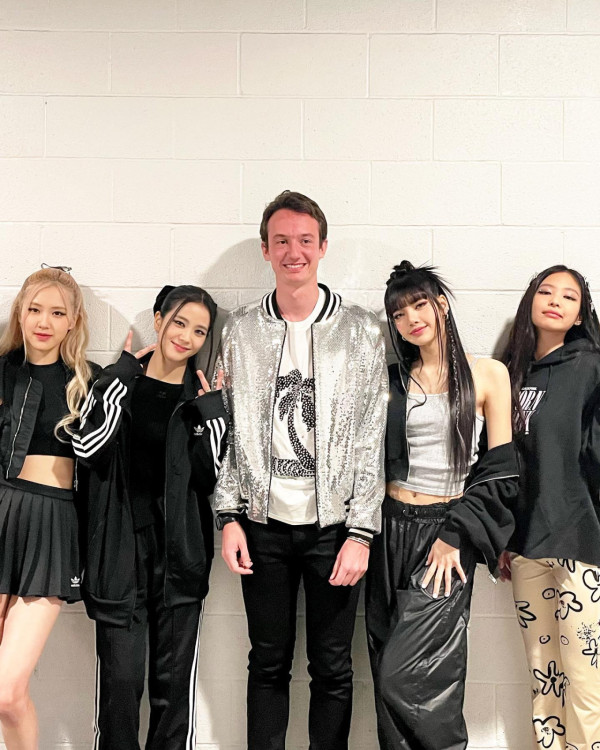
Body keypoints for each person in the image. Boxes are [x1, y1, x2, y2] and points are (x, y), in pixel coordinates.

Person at [213, 190, 388, 750]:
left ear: (323, 247)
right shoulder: (240, 330)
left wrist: (362, 531)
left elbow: (371, 436)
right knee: (267, 662)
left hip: (334, 529)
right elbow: (227, 429)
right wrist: (229, 517)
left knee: (332, 667)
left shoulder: (360, 331)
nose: (295, 252)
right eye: (282, 241)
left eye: (305, 240)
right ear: (265, 250)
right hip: (262, 526)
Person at [366, 261, 519, 750]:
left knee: (412, 674)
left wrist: (456, 534)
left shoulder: (487, 374)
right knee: (384, 662)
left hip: (445, 531)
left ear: (442, 305)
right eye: (398, 313)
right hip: (389, 527)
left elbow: (502, 469)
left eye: (419, 305)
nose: (411, 318)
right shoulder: (392, 380)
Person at [72, 285, 228, 750]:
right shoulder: (118, 384)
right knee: (119, 691)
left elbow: (213, 478)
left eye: (199, 331)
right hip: (119, 556)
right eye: (179, 322)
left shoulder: (200, 400)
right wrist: (116, 383)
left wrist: (213, 415)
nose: (186, 337)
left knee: (173, 695)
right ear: (158, 321)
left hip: (180, 559)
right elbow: (87, 450)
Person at [500, 265, 600, 749]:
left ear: (581, 315)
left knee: (586, 682)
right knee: (545, 680)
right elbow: (503, 465)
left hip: (583, 546)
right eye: (546, 291)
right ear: (531, 301)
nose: (556, 301)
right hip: (526, 549)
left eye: (569, 296)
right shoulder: (511, 373)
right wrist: (502, 535)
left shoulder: (591, 366)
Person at [0, 266, 93, 749]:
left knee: (6, 693)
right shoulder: (3, 370)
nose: (44, 321)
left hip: (51, 527)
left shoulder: (88, 383)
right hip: (1, 512)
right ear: (20, 312)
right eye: (35, 309)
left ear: (73, 320)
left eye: (57, 312)